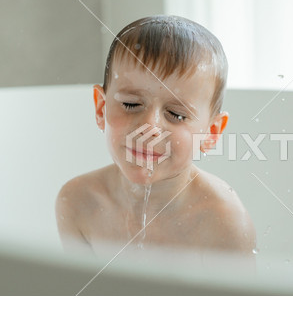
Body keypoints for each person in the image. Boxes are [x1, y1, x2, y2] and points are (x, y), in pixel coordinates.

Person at [55, 15, 256, 259]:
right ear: (101, 109)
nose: (149, 128)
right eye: (130, 104)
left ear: (211, 133)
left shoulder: (222, 222)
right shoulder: (79, 202)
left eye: (176, 114)